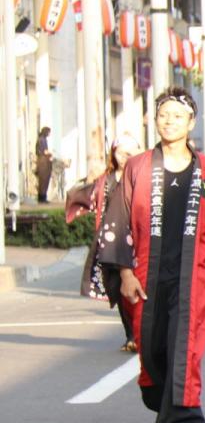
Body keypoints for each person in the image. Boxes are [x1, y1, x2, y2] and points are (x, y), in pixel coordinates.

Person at [97, 88, 205, 423]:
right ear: (154, 120)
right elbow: (119, 220)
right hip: (145, 273)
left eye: (178, 116)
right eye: (163, 114)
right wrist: (124, 273)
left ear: (191, 123)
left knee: (185, 346)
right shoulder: (138, 167)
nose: (170, 121)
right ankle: (163, 405)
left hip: (194, 275)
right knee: (152, 348)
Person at [68, 133, 141, 352]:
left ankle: (139, 333)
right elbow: (86, 197)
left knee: (138, 287)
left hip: (138, 239)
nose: (124, 157)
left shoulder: (144, 177)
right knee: (117, 288)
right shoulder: (106, 180)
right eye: (120, 153)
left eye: (130, 153)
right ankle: (130, 334)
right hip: (110, 241)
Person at [35, 126, 54, 203]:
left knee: (43, 181)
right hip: (43, 162)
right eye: (49, 132)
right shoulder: (42, 140)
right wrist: (50, 153)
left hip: (42, 161)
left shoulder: (41, 139)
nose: (49, 134)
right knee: (43, 180)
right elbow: (44, 151)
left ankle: (42, 197)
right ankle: (42, 197)